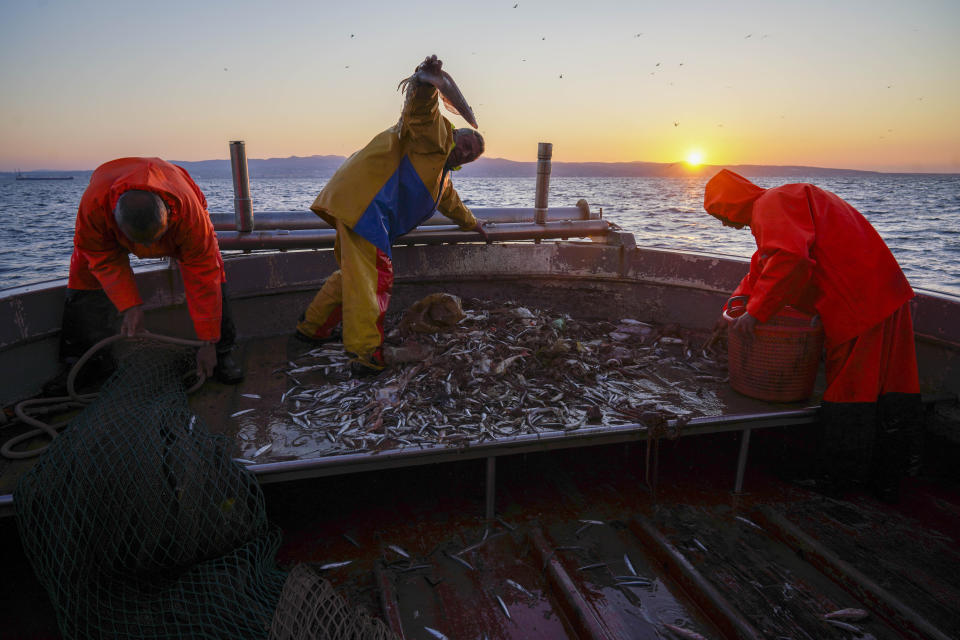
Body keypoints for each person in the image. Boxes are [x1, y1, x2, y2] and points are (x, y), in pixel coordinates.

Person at [703, 169, 920, 501]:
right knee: (895, 384)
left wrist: (755, 314)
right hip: (886, 293)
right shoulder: (784, 200)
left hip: (856, 304)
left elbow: (789, 259)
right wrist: (734, 307)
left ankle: (839, 482)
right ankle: (891, 480)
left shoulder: (771, 203)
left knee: (851, 391)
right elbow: (763, 266)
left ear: (732, 203)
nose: (725, 224)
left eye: (721, 215)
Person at [295, 55, 488, 376]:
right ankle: (365, 353)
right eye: (466, 143)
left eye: (473, 154)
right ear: (454, 134)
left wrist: (474, 224)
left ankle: (312, 328)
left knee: (353, 276)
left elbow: (451, 203)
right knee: (374, 278)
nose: (466, 152)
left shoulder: (440, 172)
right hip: (366, 206)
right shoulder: (434, 133)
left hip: (360, 207)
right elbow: (420, 111)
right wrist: (426, 82)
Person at [54, 157, 243, 389]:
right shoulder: (94, 205)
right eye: (139, 244)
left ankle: (222, 353)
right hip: (110, 203)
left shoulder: (190, 217)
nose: (146, 251)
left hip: (179, 194)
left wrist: (208, 342)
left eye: (154, 242)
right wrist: (130, 306)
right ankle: (86, 366)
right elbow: (101, 255)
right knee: (84, 271)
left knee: (213, 271)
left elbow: (203, 275)